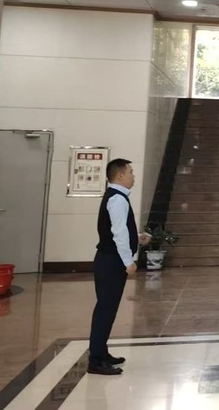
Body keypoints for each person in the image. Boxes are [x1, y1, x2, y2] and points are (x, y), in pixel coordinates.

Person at [88, 158, 150, 375]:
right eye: (131, 172)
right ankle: (96, 360)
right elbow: (118, 233)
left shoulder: (117, 196)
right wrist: (128, 261)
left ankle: (101, 352)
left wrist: (137, 237)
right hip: (111, 261)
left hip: (109, 259)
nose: (134, 176)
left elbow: (119, 230)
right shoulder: (117, 199)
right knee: (105, 310)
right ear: (120, 175)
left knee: (107, 309)